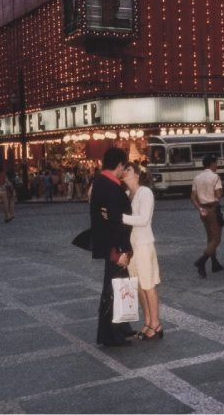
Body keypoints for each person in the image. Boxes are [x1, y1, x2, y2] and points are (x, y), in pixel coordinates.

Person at [90, 147, 136, 346]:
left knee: (118, 286)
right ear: (119, 165)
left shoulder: (100, 182)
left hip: (105, 242)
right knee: (114, 289)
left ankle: (122, 327)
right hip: (114, 246)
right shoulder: (112, 187)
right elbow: (116, 222)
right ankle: (111, 334)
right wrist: (123, 250)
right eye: (123, 167)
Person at [120, 162, 164, 339]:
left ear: (137, 174)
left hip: (144, 245)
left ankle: (156, 323)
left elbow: (144, 219)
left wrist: (119, 217)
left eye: (128, 169)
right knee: (139, 286)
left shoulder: (145, 192)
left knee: (148, 285)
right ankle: (148, 321)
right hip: (132, 247)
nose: (124, 171)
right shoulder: (128, 194)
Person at [190, 154, 224, 278]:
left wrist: (199, 207)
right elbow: (219, 195)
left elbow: (192, 197)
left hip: (203, 210)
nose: (217, 165)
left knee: (210, 237)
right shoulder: (215, 177)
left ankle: (214, 263)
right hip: (213, 208)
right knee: (216, 239)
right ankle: (202, 261)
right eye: (216, 163)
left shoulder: (197, 177)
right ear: (211, 164)